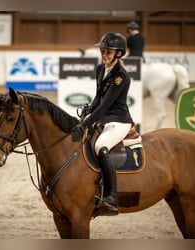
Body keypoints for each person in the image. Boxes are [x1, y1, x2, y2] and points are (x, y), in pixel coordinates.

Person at [72, 32, 133, 214]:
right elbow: (99, 97)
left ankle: (112, 195)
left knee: (101, 146)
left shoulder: (121, 76)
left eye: (109, 52)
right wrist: (88, 110)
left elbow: (106, 104)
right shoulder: (100, 69)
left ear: (119, 54)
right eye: (103, 51)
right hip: (104, 119)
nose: (105, 55)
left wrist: (85, 124)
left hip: (119, 120)